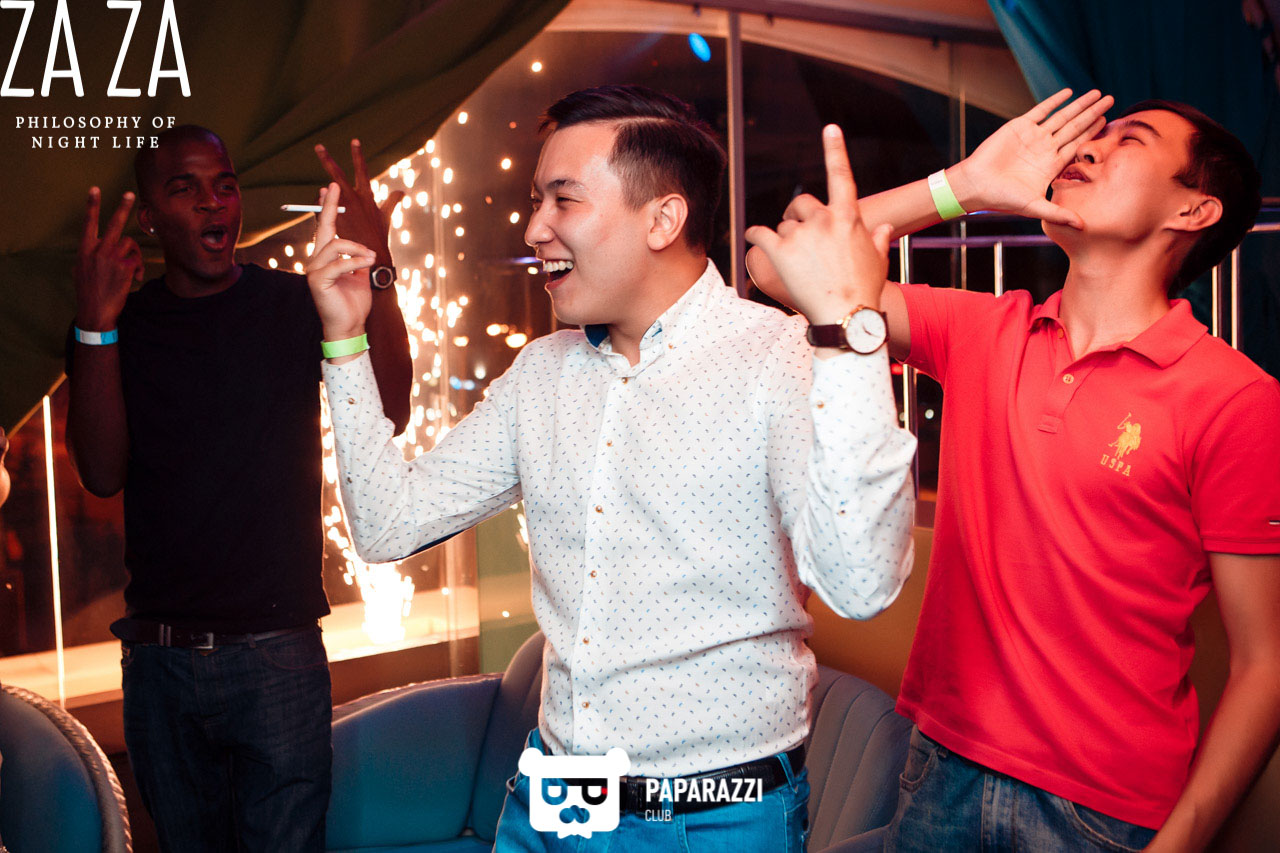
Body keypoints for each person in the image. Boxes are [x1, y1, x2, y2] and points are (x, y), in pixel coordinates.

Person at [306, 84, 916, 851]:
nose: (535, 228)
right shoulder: (541, 374)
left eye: (563, 199)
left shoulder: (779, 357)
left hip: (714, 817)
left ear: (663, 219)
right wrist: (345, 339)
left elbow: (861, 584)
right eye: (536, 201)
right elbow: (387, 524)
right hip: (556, 799)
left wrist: (850, 329)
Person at [749, 90, 1280, 852]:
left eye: (1129, 140)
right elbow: (778, 266)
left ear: (1194, 210)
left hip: (1102, 812)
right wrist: (963, 185)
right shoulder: (987, 330)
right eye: (1092, 137)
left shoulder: (1234, 398)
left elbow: (1265, 662)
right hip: (941, 769)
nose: (1084, 148)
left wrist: (1182, 841)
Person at [65, 125, 412, 852]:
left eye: (224, 185)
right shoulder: (125, 323)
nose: (212, 201)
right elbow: (99, 472)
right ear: (150, 217)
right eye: (184, 188)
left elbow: (388, 411)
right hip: (160, 660)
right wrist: (94, 326)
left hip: (276, 654)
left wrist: (377, 265)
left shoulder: (293, 303)